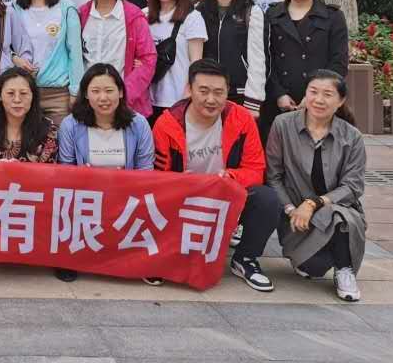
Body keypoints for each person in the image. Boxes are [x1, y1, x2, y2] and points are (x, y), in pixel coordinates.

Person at [153, 59, 280, 292]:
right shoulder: (167, 124)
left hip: (226, 194)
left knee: (268, 199)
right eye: (203, 91)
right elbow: (157, 178)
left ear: (227, 92)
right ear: (189, 89)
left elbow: (256, 169)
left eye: (218, 92)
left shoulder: (241, 119)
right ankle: (164, 254)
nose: (211, 99)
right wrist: (179, 182)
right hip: (183, 198)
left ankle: (245, 258)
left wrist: (229, 178)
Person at [265, 70, 366, 302]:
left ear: (340, 101)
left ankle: (344, 270)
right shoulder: (283, 125)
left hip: (339, 209)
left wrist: (313, 203)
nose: (319, 100)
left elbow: (352, 186)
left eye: (327, 94)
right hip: (297, 218)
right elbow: (274, 176)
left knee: (338, 217)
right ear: (305, 94)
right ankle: (324, 254)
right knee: (312, 267)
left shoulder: (352, 137)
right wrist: (291, 209)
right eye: (313, 92)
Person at [55, 63, 155, 281]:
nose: (103, 98)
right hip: (85, 198)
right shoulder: (71, 125)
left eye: (109, 91)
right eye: (96, 91)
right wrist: (82, 177)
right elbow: (64, 169)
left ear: (120, 92)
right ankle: (68, 258)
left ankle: (141, 259)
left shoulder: (138, 125)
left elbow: (146, 171)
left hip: (126, 197)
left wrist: (123, 182)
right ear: (86, 95)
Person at [263, 0, 349, 139]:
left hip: (320, 101)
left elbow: (338, 62)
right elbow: (265, 59)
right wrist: (278, 94)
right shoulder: (272, 14)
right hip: (279, 101)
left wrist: (314, 96)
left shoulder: (332, 16)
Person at [10, 0, 83, 124]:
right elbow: (6, 48)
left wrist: (75, 92)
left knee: (59, 140)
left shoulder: (66, 8)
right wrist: (15, 59)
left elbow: (75, 53)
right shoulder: (14, 9)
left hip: (58, 95)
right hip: (22, 93)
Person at [77, 0, 156, 118]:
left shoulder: (133, 15)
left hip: (125, 100)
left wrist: (124, 93)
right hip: (89, 100)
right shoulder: (81, 14)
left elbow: (148, 58)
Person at [191, 0, 267, 117]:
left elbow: (258, 59)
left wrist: (253, 101)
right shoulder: (198, 12)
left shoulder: (251, 12)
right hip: (206, 93)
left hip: (239, 92)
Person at [147, 0, 207, 123]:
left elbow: (196, 61)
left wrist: (190, 91)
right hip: (148, 99)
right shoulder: (143, 15)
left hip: (179, 99)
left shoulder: (192, 18)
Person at [0, 67, 59, 162]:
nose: (17, 100)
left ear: (33, 96)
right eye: (10, 93)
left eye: (23, 93)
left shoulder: (48, 130)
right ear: (0, 96)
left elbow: (48, 169)